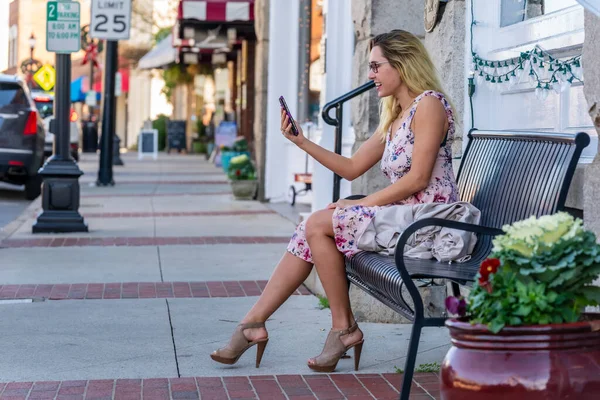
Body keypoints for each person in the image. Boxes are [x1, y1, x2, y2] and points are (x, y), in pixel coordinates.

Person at [209, 29, 459, 372]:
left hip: (428, 222)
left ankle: (338, 329)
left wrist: (360, 205)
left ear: (401, 64)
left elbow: (417, 179)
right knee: (310, 227)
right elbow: (353, 167)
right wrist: (301, 142)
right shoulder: (396, 115)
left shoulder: (428, 104)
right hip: (402, 216)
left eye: (375, 66)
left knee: (319, 224)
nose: (370, 75)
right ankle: (260, 323)